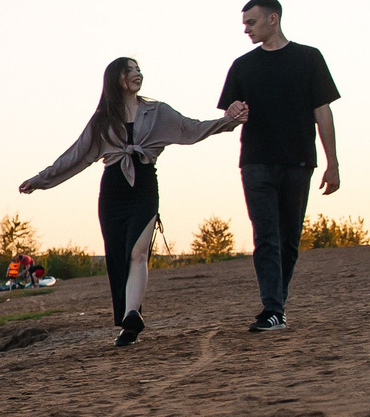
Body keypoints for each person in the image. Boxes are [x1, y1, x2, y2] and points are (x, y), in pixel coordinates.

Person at [21, 58, 247, 347]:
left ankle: (131, 315)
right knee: (118, 257)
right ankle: (129, 325)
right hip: (113, 191)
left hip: (144, 186)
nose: (137, 73)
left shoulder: (158, 111)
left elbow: (191, 129)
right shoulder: (103, 119)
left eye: (138, 69)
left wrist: (229, 121)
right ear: (116, 78)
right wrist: (41, 179)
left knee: (138, 253)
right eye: (130, 70)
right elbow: (76, 155)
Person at [219, 0, 340, 332]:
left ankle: (277, 307)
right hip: (256, 162)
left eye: (251, 22)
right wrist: (232, 113)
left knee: (288, 239)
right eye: (244, 24)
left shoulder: (309, 58)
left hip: (298, 161)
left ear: (273, 19)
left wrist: (332, 163)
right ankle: (272, 309)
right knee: (266, 237)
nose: (246, 29)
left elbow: (323, 112)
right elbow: (229, 116)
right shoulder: (242, 66)